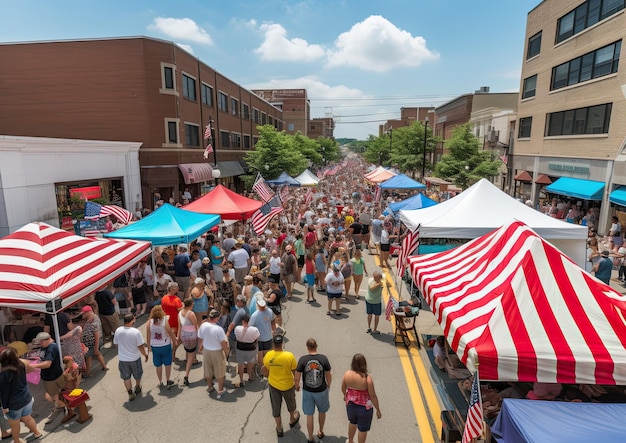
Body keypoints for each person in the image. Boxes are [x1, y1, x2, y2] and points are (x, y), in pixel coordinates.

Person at [0, 347, 43, 443]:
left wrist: (5, 407)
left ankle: (17, 441)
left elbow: (4, 392)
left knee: (14, 425)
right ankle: (37, 433)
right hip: (27, 398)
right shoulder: (21, 364)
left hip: (14, 404)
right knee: (28, 418)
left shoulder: (4, 374)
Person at [261, 335, 300, 438]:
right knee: (291, 403)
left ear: (273, 344)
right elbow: (294, 371)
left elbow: (264, 370)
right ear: (282, 343)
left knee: (276, 406)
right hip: (288, 385)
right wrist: (297, 384)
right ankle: (292, 419)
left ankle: (279, 428)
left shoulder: (269, 355)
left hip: (274, 386)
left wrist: (267, 375)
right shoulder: (289, 356)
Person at [294, 339, 332, 443]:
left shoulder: (303, 359)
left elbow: (297, 377)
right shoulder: (323, 358)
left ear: (307, 347)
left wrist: (297, 386)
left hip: (308, 391)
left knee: (309, 415)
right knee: (322, 411)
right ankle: (320, 431)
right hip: (321, 390)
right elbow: (328, 374)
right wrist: (329, 384)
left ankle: (310, 437)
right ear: (316, 346)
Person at [341, 354, 382, 443]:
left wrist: (345, 396)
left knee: (352, 422)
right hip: (364, 409)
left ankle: (350, 441)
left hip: (351, 405)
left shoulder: (347, 374)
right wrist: (378, 409)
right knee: (362, 429)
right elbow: (373, 395)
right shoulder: (367, 378)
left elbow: (343, 387)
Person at [30, 332, 67, 424]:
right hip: (48, 377)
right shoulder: (44, 347)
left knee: (52, 396)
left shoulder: (51, 348)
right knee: (56, 394)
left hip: (54, 376)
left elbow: (47, 364)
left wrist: (33, 366)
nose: (39, 344)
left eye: (40, 342)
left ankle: (61, 406)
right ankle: (59, 406)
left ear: (46, 340)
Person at [113, 314, 149, 402]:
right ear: (132, 321)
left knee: (126, 377)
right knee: (137, 374)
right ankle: (137, 387)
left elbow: (116, 344)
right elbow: (140, 346)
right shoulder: (136, 332)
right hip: (134, 358)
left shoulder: (118, 330)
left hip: (122, 359)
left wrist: (122, 351)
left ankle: (130, 393)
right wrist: (145, 355)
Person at [197, 309, 229, 399]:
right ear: (217, 318)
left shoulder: (203, 326)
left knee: (208, 370)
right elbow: (223, 343)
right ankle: (220, 390)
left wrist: (200, 347)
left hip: (206, 351)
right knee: (220, 371)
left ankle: (210, 387)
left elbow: (200, 338)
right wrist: (226, 352)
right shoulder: (219, 329)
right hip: (217, 352)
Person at [146, 305, 177, 389]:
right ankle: (168, 380)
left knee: (158, 365)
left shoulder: (149, 322)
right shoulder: (164, 321)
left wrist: (149, 346)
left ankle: (160, 381)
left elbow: (148, 335)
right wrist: (175, 339)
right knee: (167, 363)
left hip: (155, 346)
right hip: (165, 345)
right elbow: (170, 332)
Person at [80, 305, 109, 377]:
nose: (82, 315)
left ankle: (88, 372)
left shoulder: (94, 321)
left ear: (88, 312)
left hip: (92, 343)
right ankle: (104, 367)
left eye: (83, 313)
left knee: (88, 356)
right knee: (97, 354)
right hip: (91, 343)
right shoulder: (91, 318)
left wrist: (96, 348)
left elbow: (97, 334)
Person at [249, 298, 276, 370]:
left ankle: (261, 371)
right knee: (267, 356)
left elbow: (250, 327)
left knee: (260, 357)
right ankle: (267, 370)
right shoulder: (270, 311)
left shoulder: (255, 315)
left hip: (259, 339)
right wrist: (274, 331)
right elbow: (273, 321)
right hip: (268, 338)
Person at [233, 314, 260, 387]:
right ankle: (250, 376)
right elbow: (257, 339)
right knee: (250, 364)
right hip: (251, 349)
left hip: (240, 349)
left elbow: (236, 337)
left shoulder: (237, 328)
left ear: (242, 321)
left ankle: (241, 380)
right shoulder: (254, 330)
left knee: (241, 364)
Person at [178, 297, 199, 386]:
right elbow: (196, 325)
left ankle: (187, 363)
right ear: (190, 305)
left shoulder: (180, 313)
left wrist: (178, 337)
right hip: (191, 336)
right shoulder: (191, 314)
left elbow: (179, 326)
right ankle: (186, 375)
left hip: (184, 334)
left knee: (187, 351)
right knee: (192, 355)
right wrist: (200, 337)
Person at [161, 282, 183, 360]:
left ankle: (168, 354)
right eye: (176, 288)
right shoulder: (176, 299)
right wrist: (183, 305)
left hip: (166, 321)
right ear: (172, 289)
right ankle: (172, 354)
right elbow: (180, 310)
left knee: (167, 339)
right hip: (175, 321)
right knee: (177, 339)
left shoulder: (164, 298)